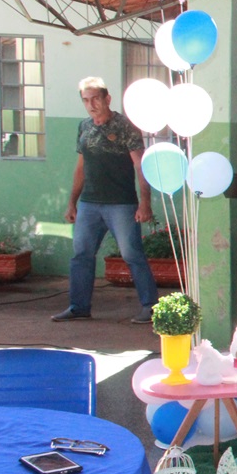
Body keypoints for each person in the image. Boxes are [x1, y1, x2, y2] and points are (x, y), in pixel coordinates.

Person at [52, 76, 158, 323]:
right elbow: (81, 167)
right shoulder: (84, 127)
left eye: (95, 99)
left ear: (107, 99)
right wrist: (72, 202)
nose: (91, 105)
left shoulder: (125, 126)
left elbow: (140, 166)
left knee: (132, 254)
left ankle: (150, 307)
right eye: (86, 100)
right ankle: (79, 306)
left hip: (121, 204)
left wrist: (145, 203)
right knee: (81, 254)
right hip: (89, 203)